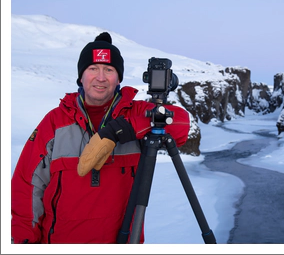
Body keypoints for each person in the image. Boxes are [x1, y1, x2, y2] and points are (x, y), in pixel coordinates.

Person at [11, 32, 190, 244]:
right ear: (81, 75)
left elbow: (181, 124)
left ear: (119, 78)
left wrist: (128, 127)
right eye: (93, 68)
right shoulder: (55, 122)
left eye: (109, 70)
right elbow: (27, 187)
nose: (101, 77)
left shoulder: (136, 112)